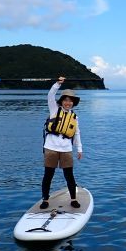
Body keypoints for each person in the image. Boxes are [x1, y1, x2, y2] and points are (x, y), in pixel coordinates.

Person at [41, 76, 83, 209]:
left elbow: (76, 133)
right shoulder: (54, 109)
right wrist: (57, 84)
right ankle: (45, 200)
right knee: (48, 175)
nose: (68, 103)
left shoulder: (74, 117)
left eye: (70, 101)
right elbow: (50, 95)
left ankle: (73, 199)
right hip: (51, 148)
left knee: (69, 175)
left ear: (73, 103)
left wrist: (79, 149)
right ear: (62, 101)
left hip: (66, 149)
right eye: (65, 100)